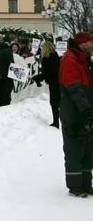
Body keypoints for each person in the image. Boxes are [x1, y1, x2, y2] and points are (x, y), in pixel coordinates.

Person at [58, 32, 93, 197]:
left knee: (88, 148)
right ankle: (75, 186)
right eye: (90, 41)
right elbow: (74, 89)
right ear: (82, 44)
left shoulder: (84, 59)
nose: (92, 44)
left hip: (86, 109)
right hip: (73, 111)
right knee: (74, 148)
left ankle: (86, 184)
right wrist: (86, 109)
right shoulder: (69, 60)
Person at [40, 41, 61, 128]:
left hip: (53, 82)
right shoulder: (55, 56)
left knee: (54, 102)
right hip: (58, 81)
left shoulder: (47, 59)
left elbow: (46, 72)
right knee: (58, 101)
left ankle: (56, 122)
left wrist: (37, 78)